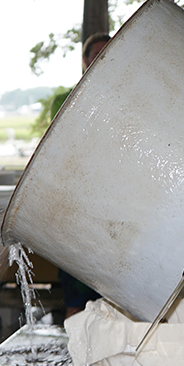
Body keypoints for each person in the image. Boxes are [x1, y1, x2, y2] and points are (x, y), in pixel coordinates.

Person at [60, 32, 111, 318]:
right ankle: (74, 358)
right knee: (76, 300)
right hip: (76, 217)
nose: (102, 58)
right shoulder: (66, 100)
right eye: (96, 54)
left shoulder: (129, 100)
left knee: (115, 304)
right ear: (84, 60)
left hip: (114, 216)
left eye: (109, 52)